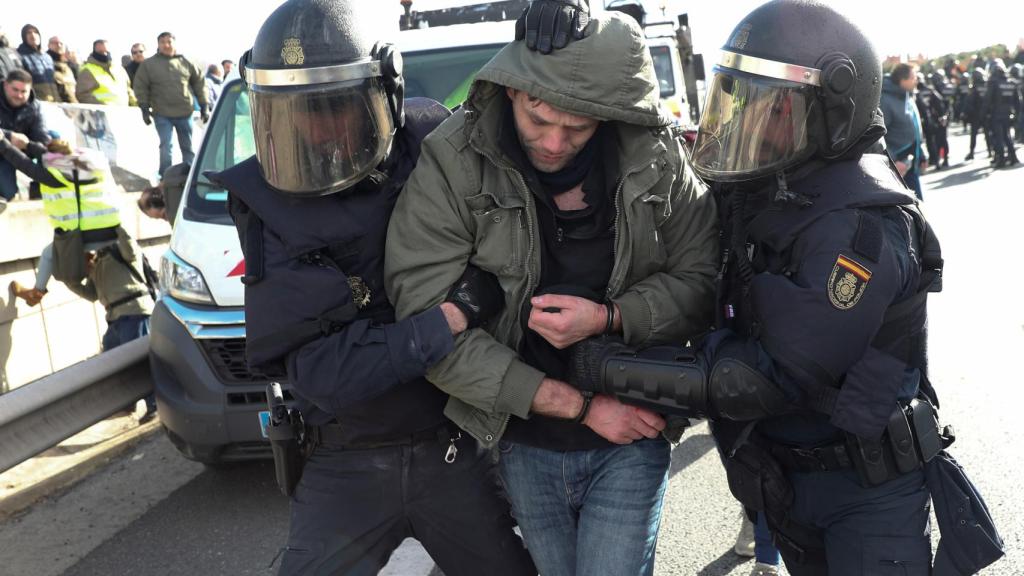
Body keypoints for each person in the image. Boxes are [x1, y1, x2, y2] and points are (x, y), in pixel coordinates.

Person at [566, 1, 1003, 574]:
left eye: (775, 109)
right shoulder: (767, 191)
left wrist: (603, 367)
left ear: (831, 112)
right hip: (788, 481)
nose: (753, 121)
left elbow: (769, 375)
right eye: (746, 101)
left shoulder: (863, 225)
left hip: (866, 496)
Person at [209, 1, 589, 574]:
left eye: (335, 108)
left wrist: (559, 22)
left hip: (454, 447)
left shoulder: (434, 146)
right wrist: (448, 319)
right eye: (296, 115)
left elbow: (537, 124)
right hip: (346, 464)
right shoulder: (271, 209)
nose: (317, 130)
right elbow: (321, 371)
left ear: (386, 92)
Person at [385, 9, 718, 576]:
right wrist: (581, 408)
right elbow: (425, 323)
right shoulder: (453, 160)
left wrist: (610, 318)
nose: (555, 143)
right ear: (509, 91)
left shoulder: (656, 156)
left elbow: (704, 283)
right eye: (537, 119)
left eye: (579, 127)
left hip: (634, 428)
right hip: (521, 434)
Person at [132, 32, 207, 177]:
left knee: (188, 147)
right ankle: (165, 177)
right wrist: (144, 108)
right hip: (162, 113)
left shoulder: (186, 62)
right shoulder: (149, 65)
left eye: (169, 41)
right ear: (158, 45)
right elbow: (140, 86)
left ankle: (190, 176)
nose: (166, 45)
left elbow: (199, 83)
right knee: (166, 146)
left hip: (185, 112)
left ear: (174, 43)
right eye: (162, 42)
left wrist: (204, 105)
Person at [0, 68, 51, 208]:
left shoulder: (35, 106)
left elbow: (41, 135)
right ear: (5, 85)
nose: (19, 95)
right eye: (15, 90)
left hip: (23, 150)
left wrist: (31, 145)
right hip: (1, 151)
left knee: (53, 142)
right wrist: (9, 137)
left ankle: (40, 190)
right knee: (9, 194)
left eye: (24, 92)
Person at [881, 63, 927, 199]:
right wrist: (893, 161)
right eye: (913, 77)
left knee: (918, 208)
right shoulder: (885, 100)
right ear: (903, 80)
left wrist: (921, 153)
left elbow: (913, 127)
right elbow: (877, 136)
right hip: (898, 167)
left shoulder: (907, 95)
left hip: (911, 163)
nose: (916, 80)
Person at [983, 59, 1020, 168]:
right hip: (1008, 114)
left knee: (998, 137)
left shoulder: (993, 82)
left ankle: (1001, 160)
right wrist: (1016, 115)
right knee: (1007, 136)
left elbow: (987, 100)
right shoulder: (1011, 82)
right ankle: (1013, 157)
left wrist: (983, 115)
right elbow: (1018, 101)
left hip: (996, 114)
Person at [76, 39, 136, 106]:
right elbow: (83, 95)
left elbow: (128, 91)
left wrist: (138, 104)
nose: (104, 54)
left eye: (107, 52)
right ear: (94, 52)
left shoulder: (119, 69)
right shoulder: (87, 71)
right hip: (101, 114)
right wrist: (103, 107)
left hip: (123, 113)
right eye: (101, 52)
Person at [16, 24, 59, 103]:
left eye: (35, 32)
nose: (33, 35)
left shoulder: (47, 57)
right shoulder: (20, 56)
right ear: (24, 37)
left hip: (54, 101)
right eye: (29, 33)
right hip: (36, 103)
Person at [963, 67, 989, 160]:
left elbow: (969, 103)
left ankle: (972, 153)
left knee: (974, 135)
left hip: (976, 115)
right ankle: (990, 151)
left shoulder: (973, 88)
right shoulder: (987, 86)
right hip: (986, 114)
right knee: (987, 134)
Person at [45, 36, 77, 103]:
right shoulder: (45, 63)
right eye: (55, 43)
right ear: (48, 45)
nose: (59, 45)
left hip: (71, 107)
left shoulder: (69, 67)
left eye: (61, 43)